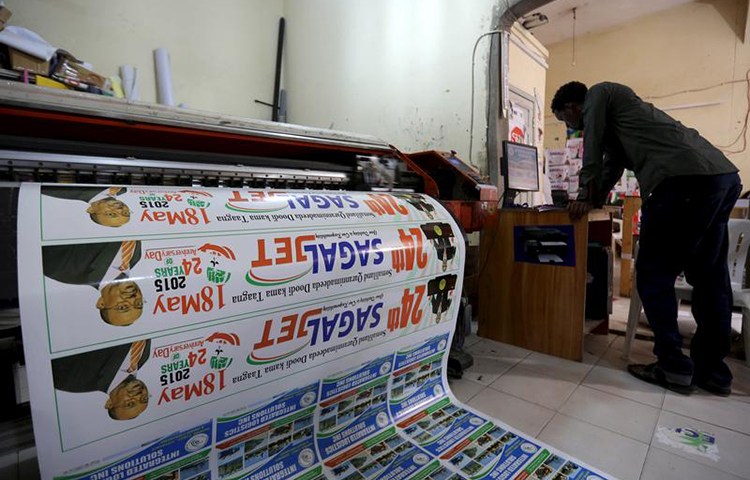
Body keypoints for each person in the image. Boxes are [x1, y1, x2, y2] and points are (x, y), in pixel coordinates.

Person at [551, 81, 741, 396]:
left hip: (682, 183)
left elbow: (593, 144)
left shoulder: (600, 93)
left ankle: (672, 366)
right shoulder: (622, 124)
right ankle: (713, 371)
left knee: (653, 275)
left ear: (572, 108)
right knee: (709, 278)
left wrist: (584, 193)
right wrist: (594, 199)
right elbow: (610, 165)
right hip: (720, 179)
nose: (570, 127)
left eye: (565, 120)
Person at [43, 241, 144, 326]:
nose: (132, 298)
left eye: (123, 307)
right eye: (138, 303)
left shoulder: (61, 267)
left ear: (101, 303)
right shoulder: (135, 256)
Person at [52, 339, 151, 420]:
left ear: (109, 403)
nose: (138, 396)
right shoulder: (144, 357)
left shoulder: (71, 379)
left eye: (130, 403)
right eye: (144, 399)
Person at [42, 186, 131, 227]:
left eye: (111, 214)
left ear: (91, 209)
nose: (119, 209)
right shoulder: (125, 188)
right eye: (125, 212)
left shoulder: (60, 190)